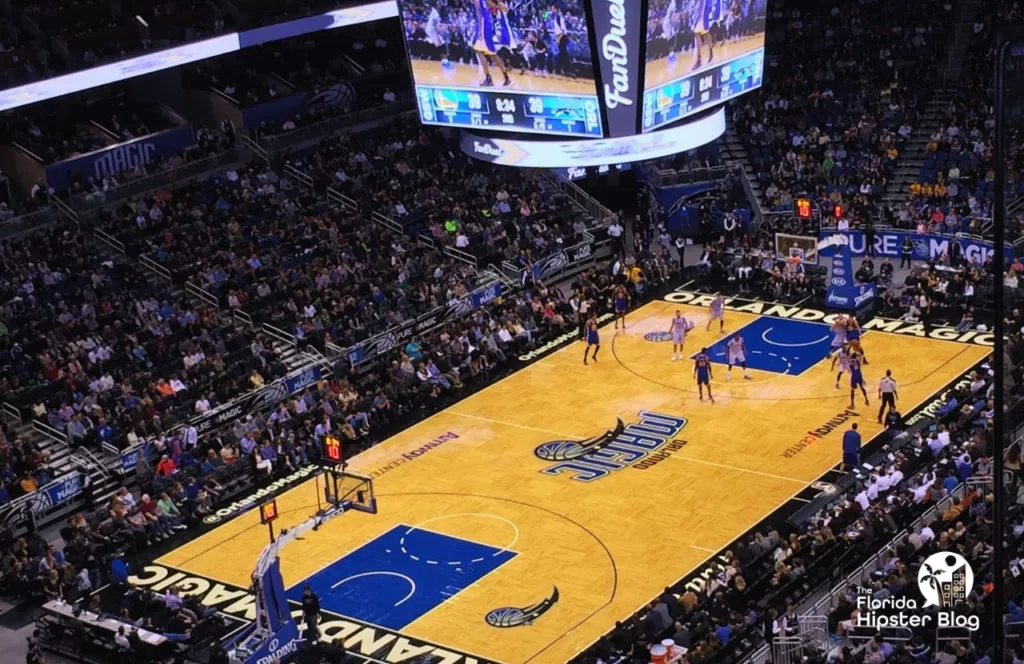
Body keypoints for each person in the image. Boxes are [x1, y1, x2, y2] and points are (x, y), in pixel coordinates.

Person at [472, 0, 510, 87]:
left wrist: (480, 29)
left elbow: (478, 11)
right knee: (492, 53)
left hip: (484, 23)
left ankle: (488, 78)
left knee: (478, 50)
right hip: (488, 22)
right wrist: (498, 5)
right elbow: (491, 5)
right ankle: (506, 76)